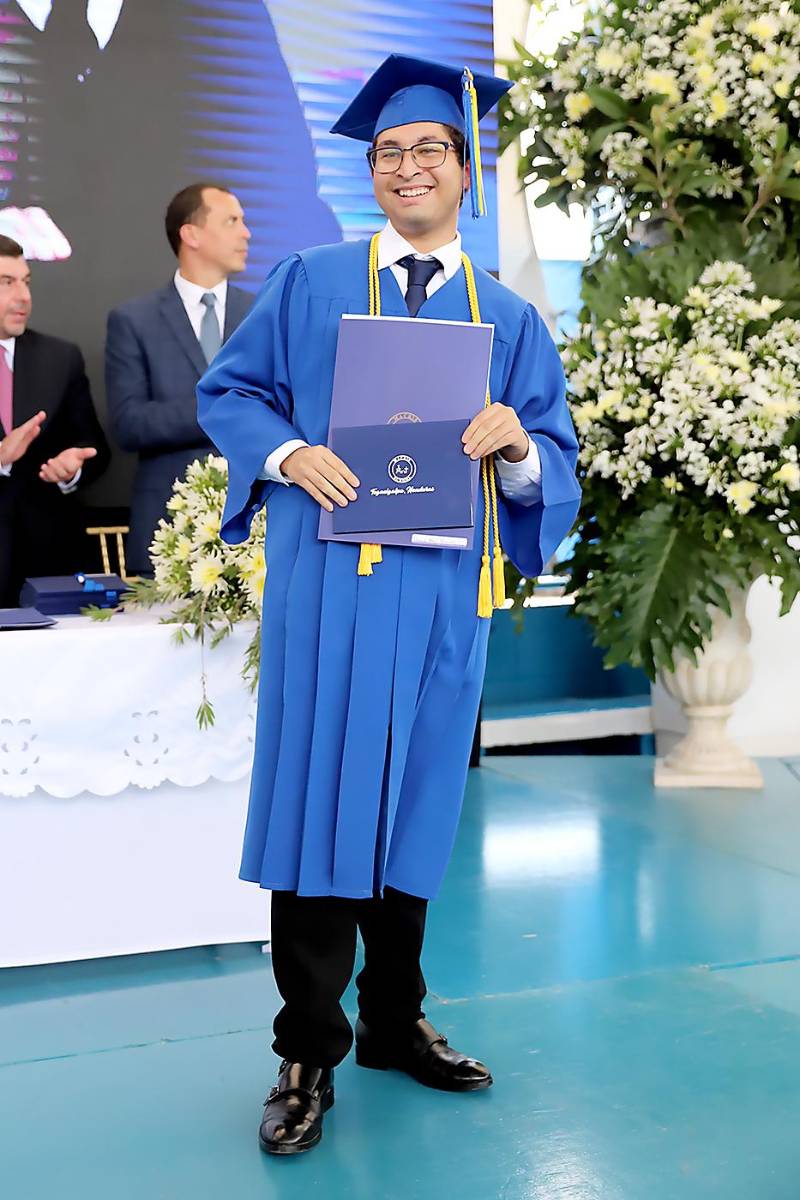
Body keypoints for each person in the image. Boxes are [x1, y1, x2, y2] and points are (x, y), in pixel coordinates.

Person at [197, 54, 581, 1156]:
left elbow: (552, 457)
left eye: (427, 149)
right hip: (329, 591)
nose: (406, 167)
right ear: (370, 172)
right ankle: (305, 1051)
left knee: (411, 812)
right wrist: (286, 452)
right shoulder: (311, 280)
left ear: (465, 168)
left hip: (438, 598)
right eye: (386, 153)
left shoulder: (506, 316)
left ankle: (393, 1021)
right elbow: (231, 390)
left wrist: (516, 447)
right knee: (320, 811)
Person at [105, 184, 253, 575]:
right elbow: (130, 423)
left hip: (255, 528)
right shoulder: (134, 321)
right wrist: (225, 408)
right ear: (191, 234)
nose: (246, 233)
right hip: (168, 531)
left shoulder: (262, 313)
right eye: (232, 221)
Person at [0, 236, 110, 607]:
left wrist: (71, 469)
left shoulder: (59, 358)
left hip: (47, 570)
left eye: (26, 282)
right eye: (7, 282)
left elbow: (94, 448)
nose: (23, 297)